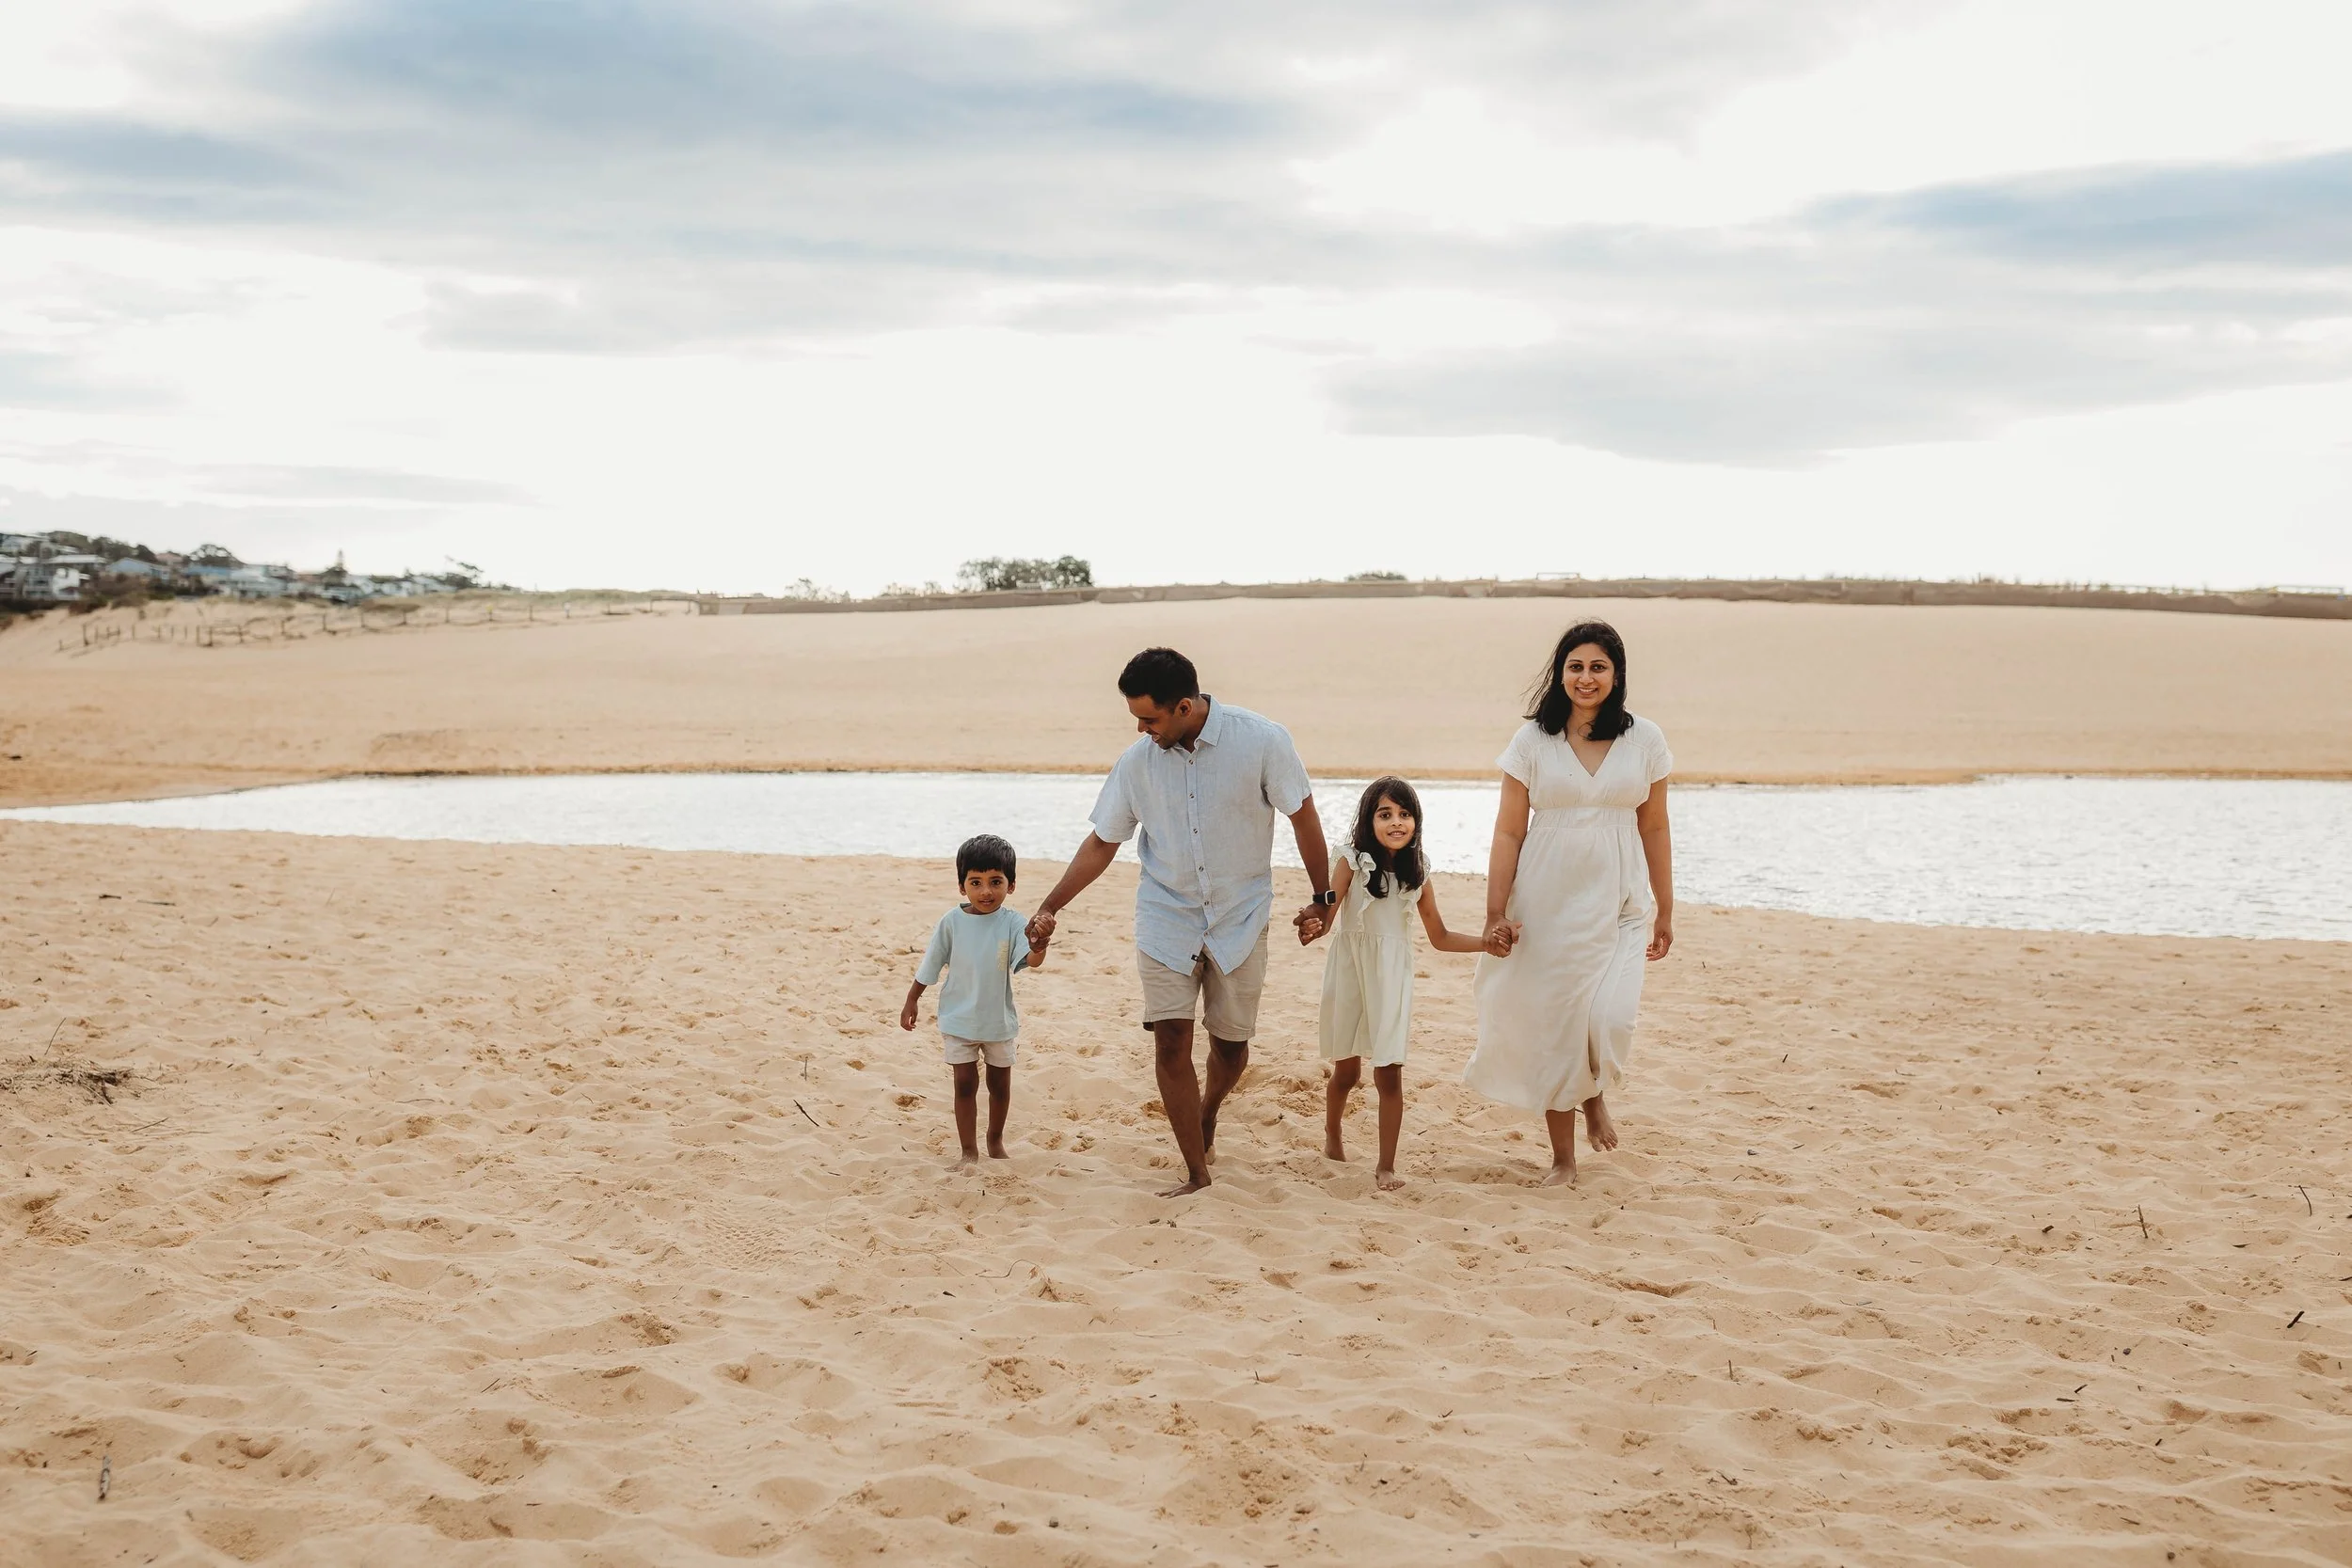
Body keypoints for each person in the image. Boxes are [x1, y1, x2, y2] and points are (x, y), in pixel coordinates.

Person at [1025, 647, 1333, 1196]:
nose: (1143, 730)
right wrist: (1052, 905)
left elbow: (1302, 814)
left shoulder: (1263, 740)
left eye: (1150, 718)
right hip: (1166, 915)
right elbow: (1102, 842)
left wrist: (1322, 898)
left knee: (1231, 1047)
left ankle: (1208, 1108)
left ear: (1185, 706)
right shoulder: (1136, 762)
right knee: (1170, 1041)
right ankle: (1196, 1169)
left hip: (1241, 916)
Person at [1465, 621, 1675, 1186]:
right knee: (1557, 1024)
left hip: (1620, 899)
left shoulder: (1644, 739)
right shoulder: (1533, 740)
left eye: (1598, 667)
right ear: (1561, 673)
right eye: (1576, 666)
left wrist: (1667, 907)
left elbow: (1654, 827)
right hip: (1545, 897)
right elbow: (1508, 831)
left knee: (1608, 1014)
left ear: (1616, 674)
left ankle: (1595, 1092)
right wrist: (1494, 911)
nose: (1586, 678)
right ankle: (1563, 1158)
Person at [1318, 776, 1499, 1191]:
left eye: (1405, 814)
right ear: (1369, 820)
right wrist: (1312, 922)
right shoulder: (1350, 860)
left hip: (1391, 980)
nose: (1396, 823)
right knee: (1346, 1074)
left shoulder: (1418, 871)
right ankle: (1332, 1135)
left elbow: (1440, 936)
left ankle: (1386, 1166)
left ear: (1416, 822)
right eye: (1385, 815)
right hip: (1350, 974)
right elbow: (1326, 918)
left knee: (1389, 1074)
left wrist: (1486, 944)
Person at [899, 833, 1051, 1167]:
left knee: (1000, 1085)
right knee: (965, 1085)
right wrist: (912, 1000)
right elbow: (931, 964)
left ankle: (995, 1141)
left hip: (998, 1021)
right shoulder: (951, 922)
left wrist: (1040, 945)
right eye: (976, 882)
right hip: (958, 1019)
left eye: (996, 882)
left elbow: (1031, 961)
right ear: (961, 886)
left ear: (1010, 885)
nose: (986, 891)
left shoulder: (1013, 923)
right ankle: (969, 1150)